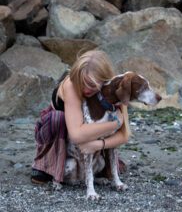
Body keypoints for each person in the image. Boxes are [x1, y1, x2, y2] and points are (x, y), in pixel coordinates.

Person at [31, 49, 130, 184]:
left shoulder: (112, 88)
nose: (86, 89)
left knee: (106, 117)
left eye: (92, 86)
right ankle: (45, 166)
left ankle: (97, 164)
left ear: (105, 81)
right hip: (57, 134)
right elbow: (76, 135)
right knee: (57, 118)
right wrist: (114, 124)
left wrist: (98, 145)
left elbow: (124, 135)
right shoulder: (71, 85)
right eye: (82, 83)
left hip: (89, 134)